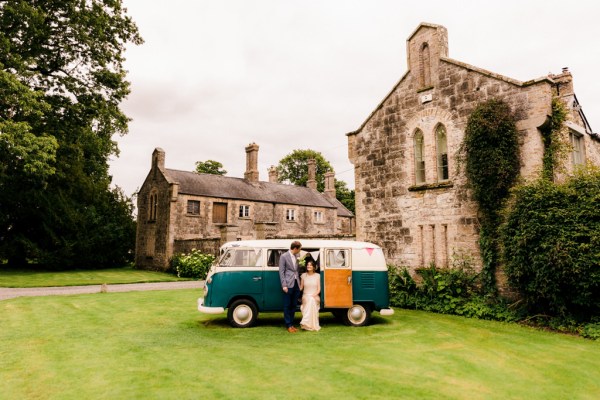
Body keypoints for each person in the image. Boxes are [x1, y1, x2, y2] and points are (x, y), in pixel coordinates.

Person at [279, 241, 302, 333]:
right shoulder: (284, 256)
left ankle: (292, 324)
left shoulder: (297, 256)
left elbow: (296, 270)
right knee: (287, 305)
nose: (300, 250)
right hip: (288, 284)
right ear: (295, 248)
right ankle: (288, 325)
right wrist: (284, 285)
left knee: (293, 305)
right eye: (299, 249)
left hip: (296, 283)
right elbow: (281, 271)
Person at [299, 260, 321, 331]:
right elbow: (301, 288)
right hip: (305, 296)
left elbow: (319, 289)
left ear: (314, 267)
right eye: (308, 265)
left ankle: (306, 322)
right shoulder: (303, 276)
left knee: (311, 299)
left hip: (315, 295)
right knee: (309, 299)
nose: (309, 266)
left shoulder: (318, 276)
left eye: (310, 265)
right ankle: (306, 323)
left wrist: (313, 295)